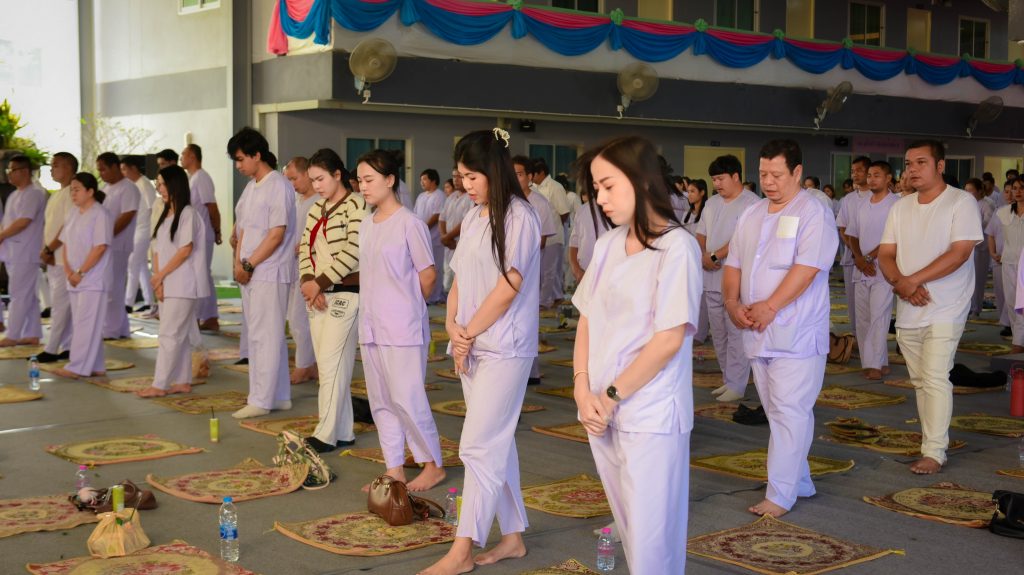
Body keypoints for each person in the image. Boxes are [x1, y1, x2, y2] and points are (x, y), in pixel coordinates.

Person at [570, 136, 698, 574]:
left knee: (651, 536)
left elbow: (668, 339)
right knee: (628, 527)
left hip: (650, 411)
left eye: (608, 186)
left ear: (642, 181)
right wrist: (581, 388)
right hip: (600, 408)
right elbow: (587, 318)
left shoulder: (677, 247)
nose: (601, 199)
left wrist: (609, 396)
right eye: (596, 189)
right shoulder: (608, 244)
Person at [419, 129, 540, 575]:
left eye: (473, 176)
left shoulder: (520, 217)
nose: (465, 185)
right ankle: (512, 537)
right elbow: (459, 280)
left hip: (505, 346)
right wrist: (453, 326)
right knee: (495, 442)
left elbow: (509, 286)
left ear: (494, 171)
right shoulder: (473, 217)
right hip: (471, 343)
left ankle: (463, 549)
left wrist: (467, 331)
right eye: (461, 176)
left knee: (477, 445)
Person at [723, 139, 838, 517]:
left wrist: (771, 305)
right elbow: (734, 264)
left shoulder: (813, 212)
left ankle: (780, 494)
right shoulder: (752, 213)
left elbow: (808, 268)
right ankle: (799, 480)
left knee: (790, 410)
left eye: (776, 174)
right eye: (763, 174)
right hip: (757, 328)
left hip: (797, 330)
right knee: (777, 411)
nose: (768, 182)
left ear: (797, 172)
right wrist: (732, 303)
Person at [878, 140, 982, 475]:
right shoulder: (900, 207)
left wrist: (912, 281)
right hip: (909, 306)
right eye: (909, 163)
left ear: (940, 166)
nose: (912, 170)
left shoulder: (961, 201)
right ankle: (931, 441)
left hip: (946, 305)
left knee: (936, 377)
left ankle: (934, 452)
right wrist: (902, 284)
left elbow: (960, 253)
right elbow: (885, 254)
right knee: (921, 381)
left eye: (921, 162)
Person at [356, 149, 445, 491]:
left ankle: (432, 465)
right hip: (372, 324)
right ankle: (394, 468)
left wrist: (406, 305)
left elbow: (428, 275)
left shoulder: (410, 223)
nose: (363, 187)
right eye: (360, 181)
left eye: (369, 180)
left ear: (390, 180)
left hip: (402, 326)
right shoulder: (367, 224)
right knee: (381, 400)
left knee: (408, 398)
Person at [227, 127, 297, 419]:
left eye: (240, 159)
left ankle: (260, 399)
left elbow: (276, 234)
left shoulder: (278, 185)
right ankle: (278, 395)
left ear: (257, 155)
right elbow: (241, 230)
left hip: (269, 270)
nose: (238, 165)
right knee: (261, 333)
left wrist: (249, 264)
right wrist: (238, 262)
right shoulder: (251, 186)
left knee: (264, 336)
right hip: (251, 270)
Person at [300, 148, 364, 452]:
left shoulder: (357, 205)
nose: (316, 186)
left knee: (331, 364)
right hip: (317, 294)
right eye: (312, 180)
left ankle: (325, 434)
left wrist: (320, 283)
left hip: (347, 293)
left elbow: (354, 251)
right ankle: (344, 430)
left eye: (321, 179)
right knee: (331, 366)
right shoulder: (316, 208)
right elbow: (305, 248)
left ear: (338, 175)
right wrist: (308, 283)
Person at [137, 165, 209, 397]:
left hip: (183, 283)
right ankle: (182, 380)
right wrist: (158, 280)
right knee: (179, 333)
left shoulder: (188, 214)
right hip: (167, 282)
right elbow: (157, 249)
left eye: (162, 184)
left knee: (169, 334)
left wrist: (160, 276)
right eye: (158, 184)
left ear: (175, 185)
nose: (159, 189)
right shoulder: (165, 213)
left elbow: (185, 250)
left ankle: (160, 384)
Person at [698, 154, 759, 402]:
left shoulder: (751, 203)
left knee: (736, 333)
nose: (716, 184)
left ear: (736, 176)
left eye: (720, 179)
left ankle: (737, 384)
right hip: (711, 276)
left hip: (736, 280)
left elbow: (740, 240)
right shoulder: (711, 203)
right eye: (713, 180)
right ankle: (728, 379)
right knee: (719, 332)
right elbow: (701, 233)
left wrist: (714, 256)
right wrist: (704, 255)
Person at [53, 173, 112, 379]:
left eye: (77, 189)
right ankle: (96, 365)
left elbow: (100, 247)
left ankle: (76, 367)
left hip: (93, 278)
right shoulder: (73, 213)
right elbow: (66, 244)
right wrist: (69, 271)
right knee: (82, 323)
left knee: (87, 324)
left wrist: (81, 272)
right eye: (72, 190)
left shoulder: (100, 214)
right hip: (74, 278)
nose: (73, 193)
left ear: (90, 191)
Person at [845, 161, 899, 380]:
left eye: (877, 175)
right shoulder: (862, 204)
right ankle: (879, 361)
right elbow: (852, 234)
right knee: (863, 318)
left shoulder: (896, 204)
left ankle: (874, 364)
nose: (871, 179)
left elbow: (893, 238)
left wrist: (869, 258)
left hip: (884, 269)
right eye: (869, 175)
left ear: (888, 178)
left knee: (879, 316)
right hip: (862, 269)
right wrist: (859, 258)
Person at [514, 155, 559, 386]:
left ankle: (532, 370)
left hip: (529, 269)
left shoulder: (539, 203)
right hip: (507, 269)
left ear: (530, 177)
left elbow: (541, 241)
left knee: (527, 319)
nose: (515, 178)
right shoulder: (506, 200)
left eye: (520, 174)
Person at [0, 155, 46, 347]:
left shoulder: (34, 193)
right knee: (27, 295)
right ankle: (32, 333)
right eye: (8, 170)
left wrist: (2, 235)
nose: (9, 174)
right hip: (13, 251)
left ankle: (13, 334)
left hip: (26, 251)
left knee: (18, 293)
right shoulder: (15, 194)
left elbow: (24, 221)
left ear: (25, 171)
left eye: (13, 170)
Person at [37, 152, 77, 362]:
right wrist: (46, 249)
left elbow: (68, 226)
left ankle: (52, 348)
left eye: (56, 165)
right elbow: (51, 226)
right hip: (54, 256)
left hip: (64, 258)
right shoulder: (56, 195)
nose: (52, 169)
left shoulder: (73, 192)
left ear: (69, 168)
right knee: (63, 304)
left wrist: (50, 249)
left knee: (60, 305)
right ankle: (68, 345)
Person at [95, 152, 140, 340]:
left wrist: (107, 235)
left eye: (103, 169)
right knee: (109, 287)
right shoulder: (105, 188)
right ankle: (121, 328)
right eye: (99, 170)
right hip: (106, 244)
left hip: (118, 244)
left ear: (115, 166)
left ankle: (111, 330)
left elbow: (127, 215)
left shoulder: (128, 188)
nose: (101, 174)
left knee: (113, 288)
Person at [283, 157, 318, 385]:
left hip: (311, 267)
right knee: (296, 317)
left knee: (299, 318)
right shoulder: (297, 200)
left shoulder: (318, 201)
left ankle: (303, 365)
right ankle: (311, 364)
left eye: (294, 178)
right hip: (293, 264)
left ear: (306, 174)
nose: (292, 184)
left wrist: (304, 246)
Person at [181, 144, 222, 331]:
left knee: (200, 275)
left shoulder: (201, 177)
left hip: (203, 233)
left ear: (192, 156)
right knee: (202, 274)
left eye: (183, 154)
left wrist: (217, 231)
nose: (181, 158)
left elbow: (212, 206)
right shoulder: (192, 178)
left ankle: (200, 316)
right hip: (195, 234)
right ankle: (209, 316)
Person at [836, 156, 872, 333]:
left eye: (859, 170)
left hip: (875, 259)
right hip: (852, 258)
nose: (855, 174)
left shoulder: (878, 197)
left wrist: (866, 256)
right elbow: (843, 228)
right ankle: (857, 338)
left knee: (874, 305)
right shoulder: (848, 199)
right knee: (853, 302)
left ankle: (873, 342)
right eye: (852, 171)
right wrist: (856, 252)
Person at [531, 157, 571, 308]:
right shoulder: (534, 187)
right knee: (542, 271)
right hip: (538, 236)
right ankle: (555, 297)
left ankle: (545, 301)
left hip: (553, 237)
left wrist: (552, 226)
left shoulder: (555, 187)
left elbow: (564, 212)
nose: (532, 178)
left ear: (541, 173)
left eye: (533, 174)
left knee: (549, 271)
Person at [120, 156, 156, 315]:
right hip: (135, 230)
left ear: (133, 168)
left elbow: (153, 208)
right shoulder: (133, 185)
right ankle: (149, 302)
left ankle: (128, 303)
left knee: (132, 265)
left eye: (124, 169)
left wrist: (154, 233)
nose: (123, 173)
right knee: (141, 267)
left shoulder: (145, 184)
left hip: (144, 230)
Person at [991, 178, 1024, 353]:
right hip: (1009, 262)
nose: (1017, 192)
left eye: (1022, 188)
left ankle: (1018, 343)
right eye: (1015, 188)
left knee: (1022, 303)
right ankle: (1018, 339)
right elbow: (992, 233)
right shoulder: (1003, 212)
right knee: (1011, 302)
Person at [414, 168, 447, 304]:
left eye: (425, 179)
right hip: (422, 237)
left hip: (434, 238)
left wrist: (423, 228)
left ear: (433, 180)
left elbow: (437, 215)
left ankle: (436, 296)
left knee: (436, 267)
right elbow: (415, 214)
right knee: (423, 267)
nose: (422, 182)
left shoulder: (439, 195)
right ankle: (425, 295)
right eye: (421, 180)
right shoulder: (421, 196)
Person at [568, 179, 610, 283]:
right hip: (584, 274)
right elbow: (573, 244)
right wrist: (576, 270)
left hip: (609, 276)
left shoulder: (621, 214)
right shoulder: (582, 210)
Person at [439, 167, 472, 293]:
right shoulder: (451, 197)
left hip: (459, 242)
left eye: (459, 176)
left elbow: (465, 221)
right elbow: (442, 218)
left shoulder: (470, 197)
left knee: (460, 280)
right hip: (448, 243)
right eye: (454, 176)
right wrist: (444, 236)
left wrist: (447, 237)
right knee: (447, 279)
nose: (456, 180)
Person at [965, 178, 993, 318]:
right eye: (966, 190)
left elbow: (987, 222)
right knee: (967, 278)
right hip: (968, 246)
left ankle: (976, 307)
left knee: (978, 279)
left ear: (979, 191)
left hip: (981, 246)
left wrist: (973, 224)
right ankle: (969, 306)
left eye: (971, 190)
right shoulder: (966, 204)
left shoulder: (986, 205)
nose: (968, 193)